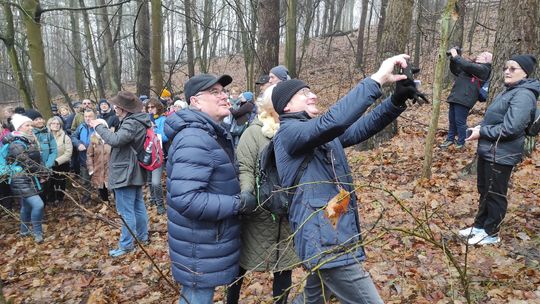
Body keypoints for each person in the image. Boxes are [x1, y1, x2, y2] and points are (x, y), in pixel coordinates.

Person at [272, 54, 419, 303]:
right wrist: (376, 80)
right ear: (286, 106)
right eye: (304, 93)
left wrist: (395, 100)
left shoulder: (315, 133)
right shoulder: (289, 133)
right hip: (324, 238)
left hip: (330, 231)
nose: (313, 95)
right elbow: (335, 121)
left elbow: (359, 128)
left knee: (313, 298)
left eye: (311, 91)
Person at [164, 74, 257, 304]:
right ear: (195, 101)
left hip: (205, 242)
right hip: (199, 247)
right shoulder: (194, 139)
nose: (224, 96)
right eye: (214, 92)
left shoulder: (208, 133)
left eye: (223, 91)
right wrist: (238, 203)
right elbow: (187, 199)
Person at [228, 85, 298, 304]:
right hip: (258, 214)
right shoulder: (254, 132)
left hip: (287, 214)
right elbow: (244, 168)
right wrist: (247, 194)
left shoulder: (297, 130)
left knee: (284, 268)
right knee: (239, 266)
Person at [461, 54, 539, 245]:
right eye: (506, 67)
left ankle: (491, 233)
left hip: (502, 153)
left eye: (513, 69)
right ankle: (480, 226)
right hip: (491, 149)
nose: (507, 71)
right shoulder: (509, 90)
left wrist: (482, 132)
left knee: (495, 193)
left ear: (525, 73)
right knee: (484, 190)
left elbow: (511, 128)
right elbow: (495, 119)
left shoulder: (524, 95)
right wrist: (480, 127)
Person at [88, 91, 151, 257]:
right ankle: (142, 237)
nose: (114, 108)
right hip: (134, 169)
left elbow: (115, 140)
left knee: (126, 211)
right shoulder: (138, 120)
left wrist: (98, 127)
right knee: (138, 206)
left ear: (123, 108)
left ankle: (126, 245)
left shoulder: (131, 123)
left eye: (117, 106)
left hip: (126, 171)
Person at [3, 114, 46, 243]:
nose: (30, 127)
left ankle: (24, 231)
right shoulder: (16, 143)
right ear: (19, 127)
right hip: (20, 179)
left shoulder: (27, 139)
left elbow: (36, 158)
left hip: (29, 177)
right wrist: (42, 170)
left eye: (30, 125)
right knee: (38, 205)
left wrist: (42, 171)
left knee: (26, 206)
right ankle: (37, 233)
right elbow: (25, 161)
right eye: (27, 125)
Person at [440, 49, 492, 149]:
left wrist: (456, 56)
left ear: (488, 61)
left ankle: (461, 142)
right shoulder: (471, 68)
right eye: (481, 54)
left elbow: (467, 66)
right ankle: (450, 139)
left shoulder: (484, 69)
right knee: (452, 120)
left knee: (460, 121)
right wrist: (453, 59)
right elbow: (455, 70)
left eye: (484, 56)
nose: (480, 56)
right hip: (456, 96)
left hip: (465, 98)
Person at [145, 98, 168, 214]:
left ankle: (160, 204)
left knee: (155, 182)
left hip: (158, 155)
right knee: (149, 181)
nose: (150, 109)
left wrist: (154, 130)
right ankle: (153, 199)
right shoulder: (145, 120)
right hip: (147, 154)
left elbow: (165, 137)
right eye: (148, 107)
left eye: (152, 107)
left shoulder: (163, 120)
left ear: (158, 107)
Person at [71, 109, 96, 203]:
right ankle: (87, 198)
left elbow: (99, 142)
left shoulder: (98, 126)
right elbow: (73, 137)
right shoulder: (81, 126)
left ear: (94, 116)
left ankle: (104, 198)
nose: (88, 118)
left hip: (96, 159)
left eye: (90, 116)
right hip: (83, 158)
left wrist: (87, 146)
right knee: (85, 180)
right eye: (86, 116)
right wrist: (78, 144)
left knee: (100, 180)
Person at [46, 116, 72, 204]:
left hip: (61, 165)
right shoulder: (45, 137)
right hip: (47, 165)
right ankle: (51, 200)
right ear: (49, 125)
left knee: (60, 184)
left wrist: (56, 161)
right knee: (49, 184)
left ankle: (60, 199)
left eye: (58, 124)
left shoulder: (65, 137)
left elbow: (68, 153)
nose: (56, 125)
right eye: (54, 123)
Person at [87, 119, 112, 203]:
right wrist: (91, 168)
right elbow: (89, 154)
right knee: (101, 186)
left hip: (110, 166)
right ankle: (105, 203)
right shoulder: (94, 138)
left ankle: (119, 206)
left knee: (113, 186)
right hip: (98, 166)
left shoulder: (111, 136)